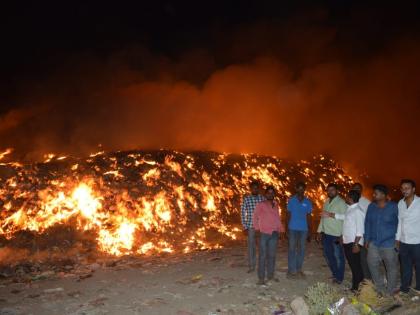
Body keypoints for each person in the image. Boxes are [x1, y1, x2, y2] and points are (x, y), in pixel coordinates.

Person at [364, 184, 399, 296]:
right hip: (374, 242)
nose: (373, 195)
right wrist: (367, 239)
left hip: (389, 243)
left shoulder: (393, 207)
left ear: (384, 195)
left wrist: (398, 240)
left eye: (376, 193)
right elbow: (367, 223)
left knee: (391, 267)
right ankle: (380, 287)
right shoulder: (371, 207)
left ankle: (390, 290)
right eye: (373, 193)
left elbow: (400, 223)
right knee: (372, 264)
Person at [253, 186, 284, 285]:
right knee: (262, 256)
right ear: (265, 194)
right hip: (264, 233)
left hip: (274, 233)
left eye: (272, 193)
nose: (270, 194)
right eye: (268, 193)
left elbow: (277, 218)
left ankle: (270, 275)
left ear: (274, 194)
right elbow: (255, 217)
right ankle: (261, 278)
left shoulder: (276, 204)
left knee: (272, 255)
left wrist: (281, 230)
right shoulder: (261, 204)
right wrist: (257, 230)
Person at [318, 183, 347, 284]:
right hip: (326, 234)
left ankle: (339, 277)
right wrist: (319, 231)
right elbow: (323, 217)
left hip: (336, 235)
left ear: (337, 191)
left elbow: (346, 217)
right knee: (328, 255)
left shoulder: (341, 203)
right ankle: (335, 274)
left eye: (332, 190)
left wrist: (342, 235)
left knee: (338, 256)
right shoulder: (326, 202)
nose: (330, 192)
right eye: (328, 190)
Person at [396, 179, 420, 294]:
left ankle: (419, 288)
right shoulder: (400, 203)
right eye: (402, 188)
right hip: (404, 241)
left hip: (417, 242)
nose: (404, 190)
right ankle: (405, 288)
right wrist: (397, 238)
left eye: (407, 188)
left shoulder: (419, 203)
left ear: (413, 189)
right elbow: (399, 222)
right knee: (405, 266)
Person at [287, 182, 313, 278]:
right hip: (292, 228)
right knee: (292, 249)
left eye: (303, 189)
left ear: (304, 190)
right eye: (299, 188)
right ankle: (291, 270)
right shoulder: (291, 200)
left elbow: (309, 216)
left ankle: (298, 269)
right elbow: (288, 215)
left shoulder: (307, 202)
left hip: (303, 229)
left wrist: (310, 230)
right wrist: (286, 229)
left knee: (301, 249)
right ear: (296, 189)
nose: (301, 191)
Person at [342, 190, 365, 291]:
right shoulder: (350, 209)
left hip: (354, 242)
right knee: (353, 264)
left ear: (350, 198)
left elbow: (360, 229)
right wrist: (332, 215)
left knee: (355, 265)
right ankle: (359, 285)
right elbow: (346, 220)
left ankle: (356, 288)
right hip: (348, 241)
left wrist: (356, 244)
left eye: (347, 197)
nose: (346, 198)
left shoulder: (358, 211)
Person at [241, 180, 265, 273]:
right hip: (251, 227)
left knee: (262, 246)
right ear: (250, 189)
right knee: (251, 247)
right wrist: (245, 227)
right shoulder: (246, 199)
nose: (255, 189)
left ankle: (262, 265)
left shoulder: (262, 199)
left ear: (258, 189)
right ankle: (252, 266)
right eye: (253, 188)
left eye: (256, 188)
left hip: (261, 227)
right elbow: (243, 213)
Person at [351, 182, 372, 280]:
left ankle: (367, 280)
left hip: (362, 235)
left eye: (358, 188)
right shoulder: (349, 202)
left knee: (364, 259)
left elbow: (369, 219)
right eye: (354, 188)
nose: (356, 190)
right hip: (352, 235)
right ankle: (359, 278)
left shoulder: (366, 202)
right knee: (355, 259)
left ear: (361, 190)